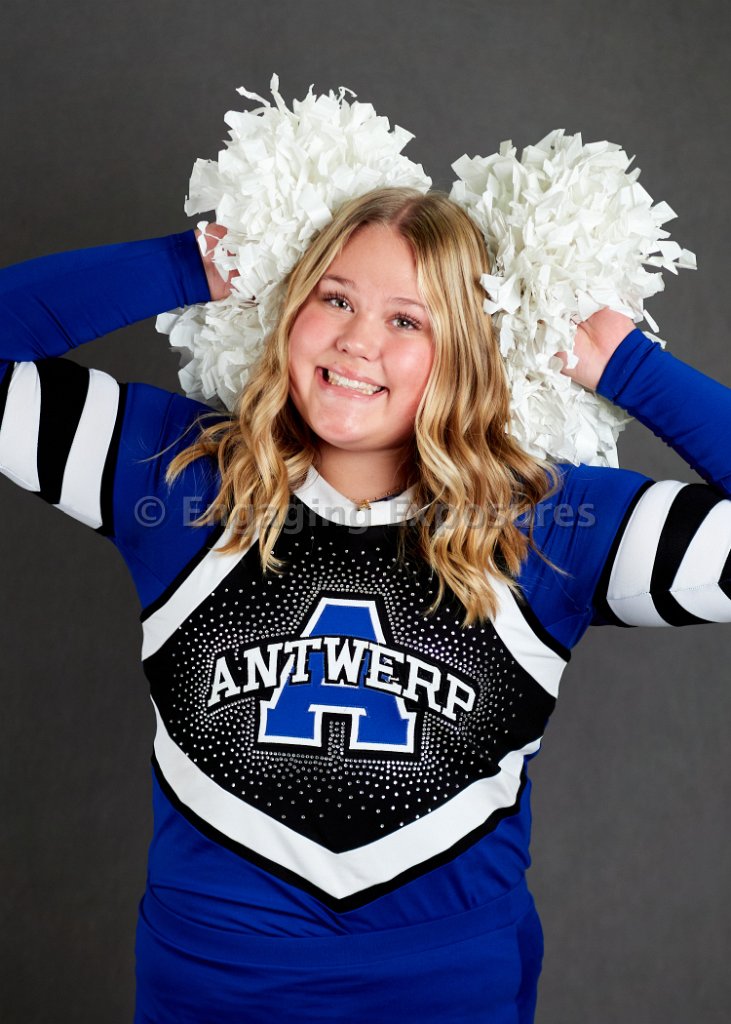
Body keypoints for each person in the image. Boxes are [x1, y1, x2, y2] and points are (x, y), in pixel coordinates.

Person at [1, 187, 729, 1023]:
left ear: (466, 350)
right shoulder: (179, 474)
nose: (356, 340)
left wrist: (625, 366)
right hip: (211, 987)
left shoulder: (551, 524)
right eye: (335, 298)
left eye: (407, 320)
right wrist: (188, 264)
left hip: (451, 995)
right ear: (288, 304)